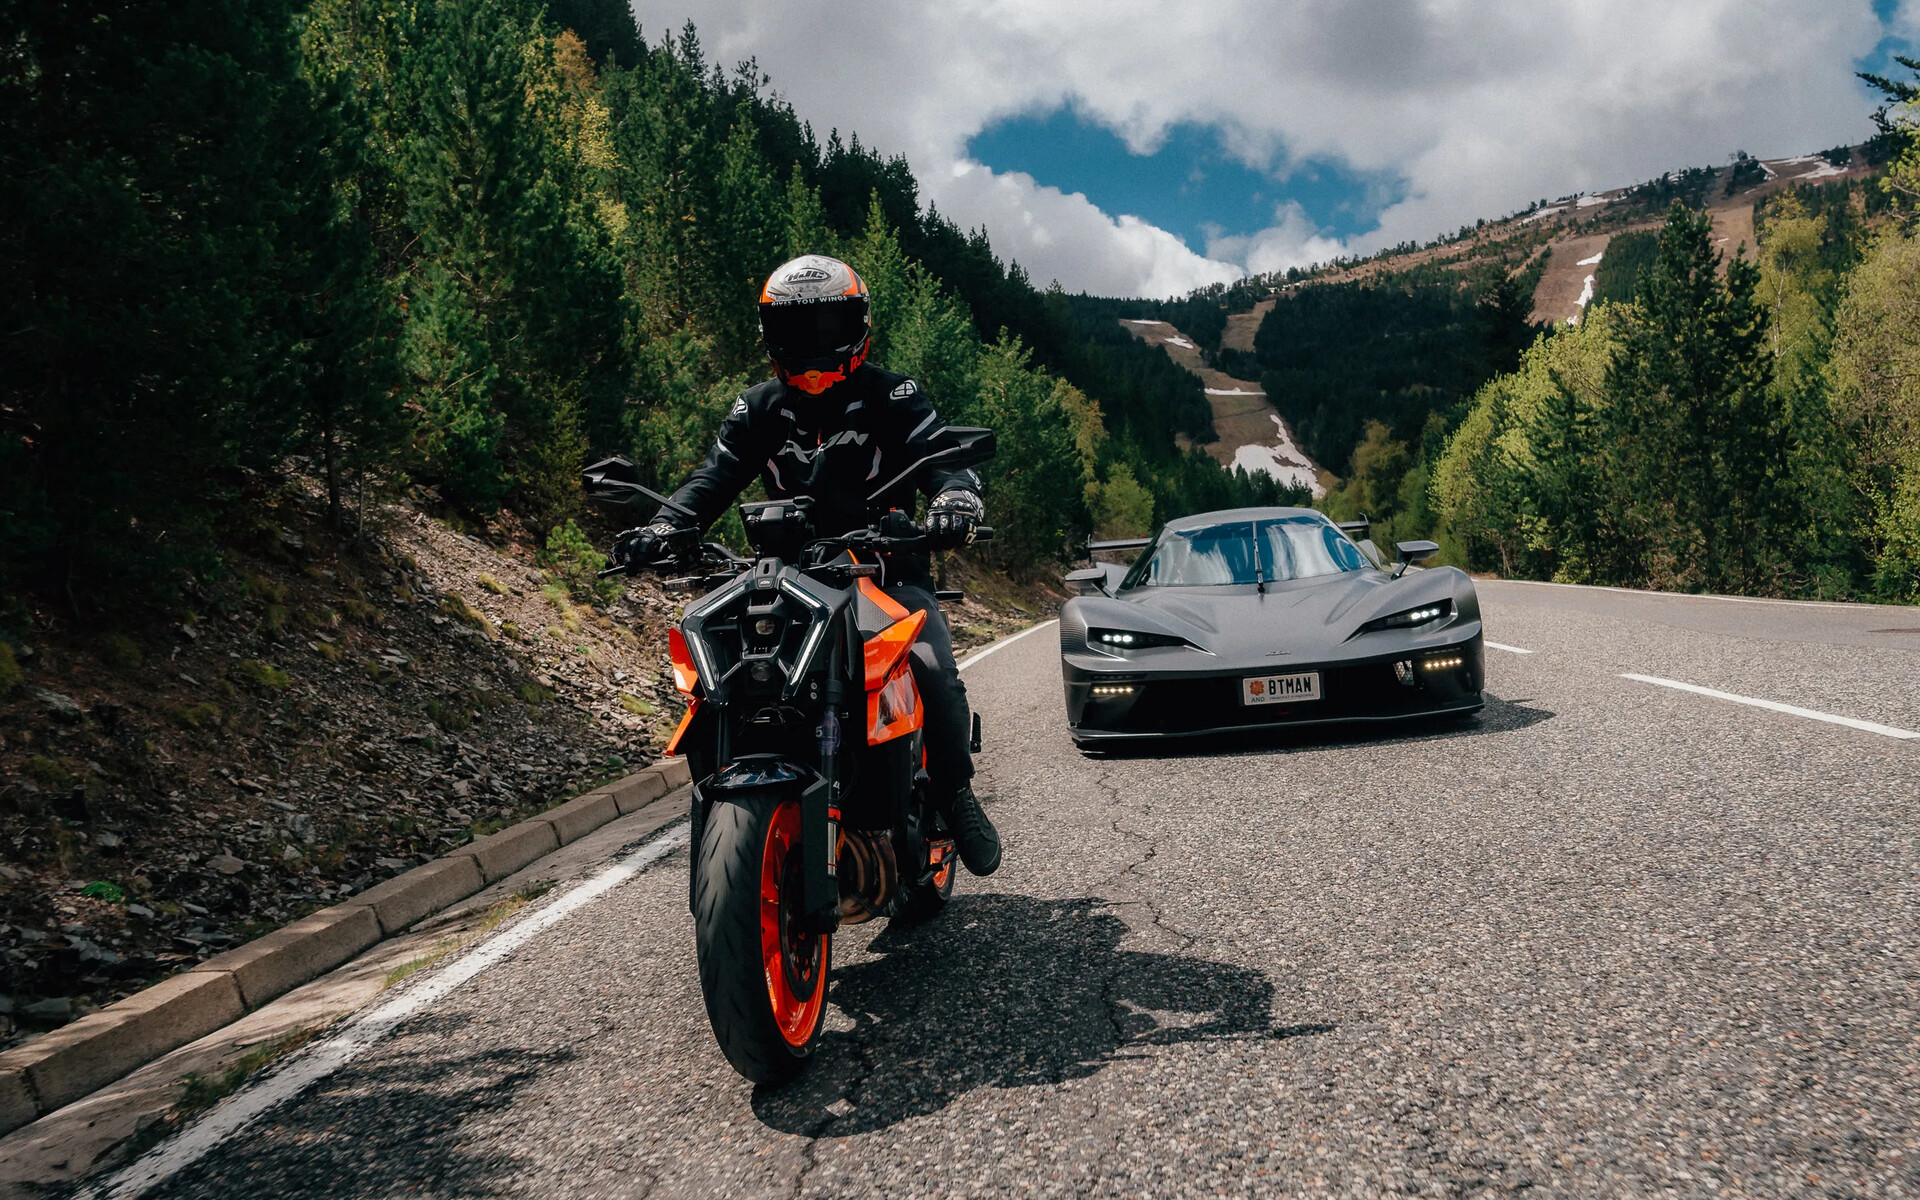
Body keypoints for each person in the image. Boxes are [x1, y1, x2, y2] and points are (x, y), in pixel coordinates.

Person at [612, 254, 1001, 876]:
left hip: (883, 572)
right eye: (797, 329)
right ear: (771, 335)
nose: (813, 344)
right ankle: (725, 815)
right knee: (716, 683)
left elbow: (941, 457)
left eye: (828, 326)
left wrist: (956, 496)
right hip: (784, 578)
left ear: (859, 325)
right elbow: (711, 481)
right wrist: (663, 527)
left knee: (929, 665)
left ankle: (955, 795)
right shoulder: (758, 409)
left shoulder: (891, 396)